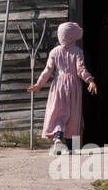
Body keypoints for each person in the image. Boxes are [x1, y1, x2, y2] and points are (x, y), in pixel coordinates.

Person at [28, 22, 97, 155]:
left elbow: (47, 70)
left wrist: (39, 84)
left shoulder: (54, 52)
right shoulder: (77, 52)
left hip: (58, 85)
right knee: (72, 114)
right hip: (73, 87)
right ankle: (71, 147)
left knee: (58, 112)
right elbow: (80, 69)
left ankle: (57, 138)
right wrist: (90, 80)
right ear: (72, 36)